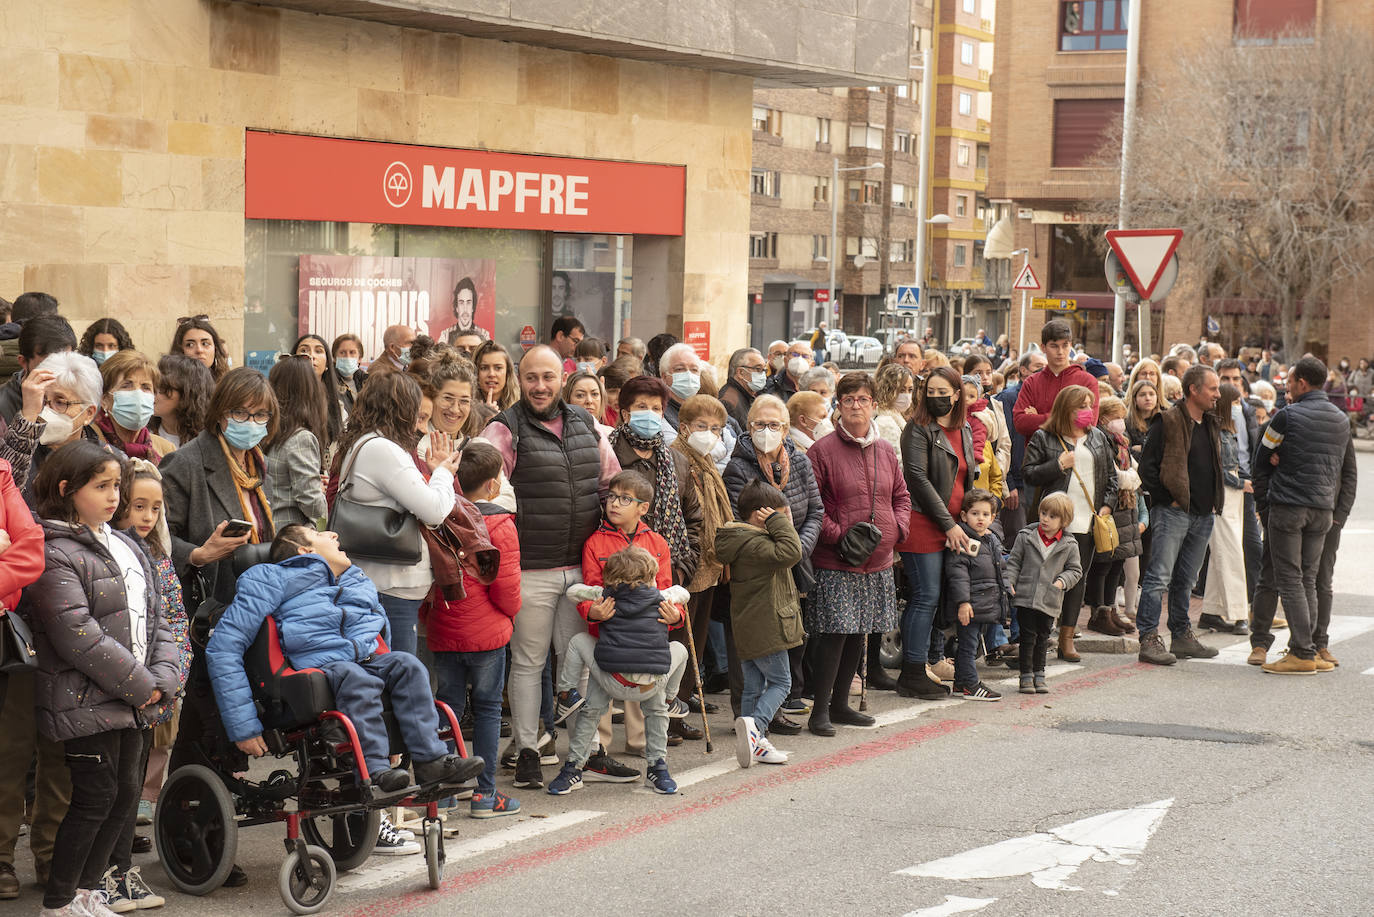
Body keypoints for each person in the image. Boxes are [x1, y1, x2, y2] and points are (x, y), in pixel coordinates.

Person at [23, 442, 181, 917]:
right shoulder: (55, 551)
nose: (114, 496)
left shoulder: (127, 544)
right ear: (68, 489)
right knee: (94, 797)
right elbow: (78, 635)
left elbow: (158, 620)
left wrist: (163, 677)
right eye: (102, 486)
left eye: (117, 486)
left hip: (135, 698)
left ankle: (90, 890)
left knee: (123, 799)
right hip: (86, 699)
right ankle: (61, 898)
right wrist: (143, 685)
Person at [207, 523, 482, 792]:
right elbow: (224, 647)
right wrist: (243, 726)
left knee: (408, 665)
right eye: (318, 533)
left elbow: (380, 636)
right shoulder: (269, 578)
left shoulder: (356, 579)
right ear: (305, 550)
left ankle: (431, 760)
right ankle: (374, 768)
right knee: (356, 677)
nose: (333, 533)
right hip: (320, 666)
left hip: (365, 660)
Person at [482, 344, 621, 789]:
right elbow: (481, 497)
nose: (539, 386)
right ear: (518, 381)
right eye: (530, 378)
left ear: (562, 378)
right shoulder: (504, 430)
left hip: (583, 568)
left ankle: (588, 752)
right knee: (528, 661)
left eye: (547, 377)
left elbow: (609, 486)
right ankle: (528, 750)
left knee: (581, 662)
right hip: (530, 570)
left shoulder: (588, 426)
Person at [806, 372, 911, 736]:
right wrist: (839, 538)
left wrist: (897, 530)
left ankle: (841, 705)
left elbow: (901, 496)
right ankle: (819, 710)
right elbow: (812, 505)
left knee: (860, 634)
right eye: (848, 399)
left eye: (863, 399)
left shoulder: (884, 451)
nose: (855, 405)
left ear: (873, 406)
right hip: (837, 560)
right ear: (838, 406)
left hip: (878, 561)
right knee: (835, 634)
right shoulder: (821, 451)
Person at [328, 372, 461, 655]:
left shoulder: (363, 443)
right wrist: (443, 474)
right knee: (399, 677)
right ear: (401, 409)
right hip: (391, 586)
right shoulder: (383, 449)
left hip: (379, 580)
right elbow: (434, 510)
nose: (419, 424)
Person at [548, 540, 688, 797]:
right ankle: (659, 762)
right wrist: (671, 599)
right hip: (651, 683)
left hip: (610, 677)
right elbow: (684, 593)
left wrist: (595, 595)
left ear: (610, 576)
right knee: (678, 652)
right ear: (652, 574)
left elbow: (572, 593)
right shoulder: (662, 598)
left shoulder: (604, 597)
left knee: (582, 655)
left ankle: (572, 762)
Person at [425, 444, 521, 817]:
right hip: (488, 633)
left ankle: (446, 791)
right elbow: (507, 586)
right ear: (494, 485)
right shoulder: (500, 525)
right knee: (487, 709)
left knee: (447, 708)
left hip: (445, 626)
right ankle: (485, 793)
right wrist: (510, 615)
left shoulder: (439, 517)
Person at [1249, 357, 1355, 674]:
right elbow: (1340, 468)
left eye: (1290, 381)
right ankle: (1309, 649)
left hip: (1289, 506)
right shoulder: (1341, 420)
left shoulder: (1286, 417)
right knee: (1308, 579)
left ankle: (1302, 652)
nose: (1287, 386)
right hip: (1322, 510)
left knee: (1289, 578)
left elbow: (1261, 458)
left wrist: (1264, 502)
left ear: (1302, 384)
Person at [723, 394, 824, 722]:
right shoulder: (739, 466)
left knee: (788, 633)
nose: (767, 430)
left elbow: (815, 510)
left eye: (775, 424)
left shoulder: (801, 461)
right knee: (754, 644)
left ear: (786, 429)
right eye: (759, 424)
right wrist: (782, 546)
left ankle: (779, 705)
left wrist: (798, 547)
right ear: (749, 427)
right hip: (760, 561)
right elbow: (744, 518)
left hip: (794, 558)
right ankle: (752, 714)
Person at [1021, 384, 1119, 662]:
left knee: (1077, 580)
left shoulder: (1098, 437)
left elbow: (1111, 477)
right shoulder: (1044, 437)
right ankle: (1041, 636)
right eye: (1082, 406)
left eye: (1090, 405)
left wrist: (1106, 506)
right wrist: (1058, 465)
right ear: (1066, 408)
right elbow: (1028, 473)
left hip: (1088, 522)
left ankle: (1067, 638)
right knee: (1046, 579)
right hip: (1053, 523)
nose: (1089, 411)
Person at [1136, 365, 1225, 666]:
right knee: (1159, 577)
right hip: (1174, 513)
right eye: (1212, 388)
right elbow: (1147, 468)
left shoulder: (1211, 422)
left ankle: (1181, 634)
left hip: (1203, 514)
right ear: (1193, 390)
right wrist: (1167, 499)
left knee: (1186, 579)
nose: (1217, 394)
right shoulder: (1168, 420)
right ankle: (1148, 637)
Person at [898, 366, 974, 696]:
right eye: (931, 392)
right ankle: (912, 671)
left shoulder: (965, 427)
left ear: (957, 394)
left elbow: (966, 478)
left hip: (956, 525)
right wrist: (948, 525)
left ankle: (927, 663)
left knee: (937, 596)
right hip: (923, 522)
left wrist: (966, 524)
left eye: (944, 393)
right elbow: (918, 479)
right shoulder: (918, 428)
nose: (937, 398)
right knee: (924, 596)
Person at [716, 480, 803, 767]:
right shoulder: (754, 543)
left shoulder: (742, 540)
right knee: (781, 682)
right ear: (760, 514)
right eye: (779, 513)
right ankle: (756, 729)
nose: (785, 519)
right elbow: (792, 552)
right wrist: (778, 521)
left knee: (753, 686)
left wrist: (776, 520)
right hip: (766, 625)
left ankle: (759, 744)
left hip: (749, 624)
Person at [668, 395, 731, 724]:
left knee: (697, 642)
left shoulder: (706, 461)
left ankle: (681, 708)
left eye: (716, 428)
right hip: (689, 564)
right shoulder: (678, 458)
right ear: (684, 427)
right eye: (702, 426)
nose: (710, 433)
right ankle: (670, 717)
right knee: (679, 642)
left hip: (710, 565)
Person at [0, 454, 46, 900]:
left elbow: (30, 547)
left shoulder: (2, 476)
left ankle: (2, 859)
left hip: (5, 638)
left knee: (9, 755)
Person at [1003, 492, 1083, 695]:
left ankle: (1040, 673)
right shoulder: (1025, 536)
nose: (1045, 519)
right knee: (1027, 637)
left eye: (1052, 516)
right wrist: (1009, 582)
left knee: (1043, 638)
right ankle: (1025, 675)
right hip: (1025, 597)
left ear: (1064, 521)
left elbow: (1075, 570)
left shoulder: (1069, 544)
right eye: (1043, 513)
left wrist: (1062, 582)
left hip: (1050, 598)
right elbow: (1014, 563)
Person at [1081, 397, 1147, 636]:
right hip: (1110, 506)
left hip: (1125, 508)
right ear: (1105, 418)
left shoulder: (1122, 443)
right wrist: (1133, 477)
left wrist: (1133, 477)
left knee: (1118, 562)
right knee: (1103, 563)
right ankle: (1099, 612)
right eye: (1116, 417)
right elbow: (1119, 476)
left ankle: (1110, 610)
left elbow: (1134, 473)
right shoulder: (1101, 441)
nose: (1121, 422)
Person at [1194, 383, 1251, 634]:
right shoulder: (1215, 430)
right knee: (1230, 554)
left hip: (1232, 493)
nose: (1240, 407)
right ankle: (1239, 614)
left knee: (1225, 552)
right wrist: (1241, 482)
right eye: (1236, 402)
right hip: (1223, 494)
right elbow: (1218, 468)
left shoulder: (1227, 428)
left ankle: (1211, 611)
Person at [941, 488, 1008, 701]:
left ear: (993, 517)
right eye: (975, 513)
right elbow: (958, 574)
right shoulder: (963, 542)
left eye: (985, 514)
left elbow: (1000, 569)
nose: (980, 518)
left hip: (984, 604)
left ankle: (961, 683)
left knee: (972, 645)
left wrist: (1007, 588)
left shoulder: (991, 541)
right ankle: (971, 685)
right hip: (970, 606)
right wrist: (963, 603)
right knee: (968, 646)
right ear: (963, 516)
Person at [1212, 359, 1263, 606]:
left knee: (1252, 547)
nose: (1231, 384)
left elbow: (1252, 448)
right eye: (1225, 379)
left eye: (1235, 379)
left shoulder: (1247, 410)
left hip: (1247, 485)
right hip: (1226, 487)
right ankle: (1224, 607)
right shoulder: (1212, 414)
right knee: (1224, 551)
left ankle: (1254, 605)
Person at [263, 356, 328, 527]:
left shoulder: (267, 430)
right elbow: (312, 504)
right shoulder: (301, 438)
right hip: (292, 534)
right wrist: (320, 493)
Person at [1013, 319, 1100, 442]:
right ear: (1043, 348)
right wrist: (1069, 417)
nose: (1060, 352)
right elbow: (1020, 423)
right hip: (1038, 457)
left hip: (1075, 456)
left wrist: (1038, 417)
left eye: (1065, 345)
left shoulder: (1087, 381)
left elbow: (1088, 423)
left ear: (1071, 345)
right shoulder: (1031, 382)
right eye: (1054, 346)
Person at [91, 350, 176, 466]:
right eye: (126, 385)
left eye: (146, 387)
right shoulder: (88, 442)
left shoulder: (167, 449)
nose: (138, 394)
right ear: (104, 399)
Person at [996, 350, 1046, 538]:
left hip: (1039, 479)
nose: (1043, 370)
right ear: (1023, 370)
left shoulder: (1044, 397)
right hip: (1017, 483)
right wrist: (1008, 484)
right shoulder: (1008, 398)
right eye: (1037, 367)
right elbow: (1003, 442)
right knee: (1017, 538)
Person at [0, 313, 77, 424]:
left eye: (66, 362)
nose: (59, 373)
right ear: (23, 362)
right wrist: (28, 416)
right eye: (49, 365)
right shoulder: (3, 404)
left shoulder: (79, 394)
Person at [150, 354, 213, 450]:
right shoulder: (143, 435)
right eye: (151, 385)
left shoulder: (209, 442)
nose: (152, 392)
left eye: (163, 387)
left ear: (187, 394)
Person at [292, 334, 344, 447]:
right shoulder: (282, 400)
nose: (311, 356)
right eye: (304, 350)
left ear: (327, 364)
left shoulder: (338, 406)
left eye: (318, 351)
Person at [168, 315, 229, 381]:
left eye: (205, 344)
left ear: (215, 348)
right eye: (190, 345)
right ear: (180, 350)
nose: (199, 350)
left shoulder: (228, 386)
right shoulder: (169, 387)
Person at [720, 347, 768, 429]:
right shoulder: (729, 402)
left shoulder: (748, 395)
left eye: (764, 370)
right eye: (758, 369)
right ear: (741, 372)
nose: (763, 375)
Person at [872, 363, 914, 454]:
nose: (907, 395)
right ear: (888, 390)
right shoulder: (885, 423)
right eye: (901, 390)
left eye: (910, 390)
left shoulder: (895, 417)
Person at [474, 340, 519, 413]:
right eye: (484, 368)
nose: (491, 374)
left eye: (498, 368)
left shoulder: (521, 408)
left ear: (508, 372)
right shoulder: (466, 407)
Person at [330, 333, 369, 414]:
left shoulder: (366, 381)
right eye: (342, 352)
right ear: (334, 358)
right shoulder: (328, 381)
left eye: (352, 352)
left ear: (360, 358)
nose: (347, 356)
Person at [445, 276, 490, 346]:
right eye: (461, 302)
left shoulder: (484, 335)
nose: (465, 309)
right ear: (456, 307)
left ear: (473, 307)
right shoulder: (445, 335)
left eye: (468, 302)